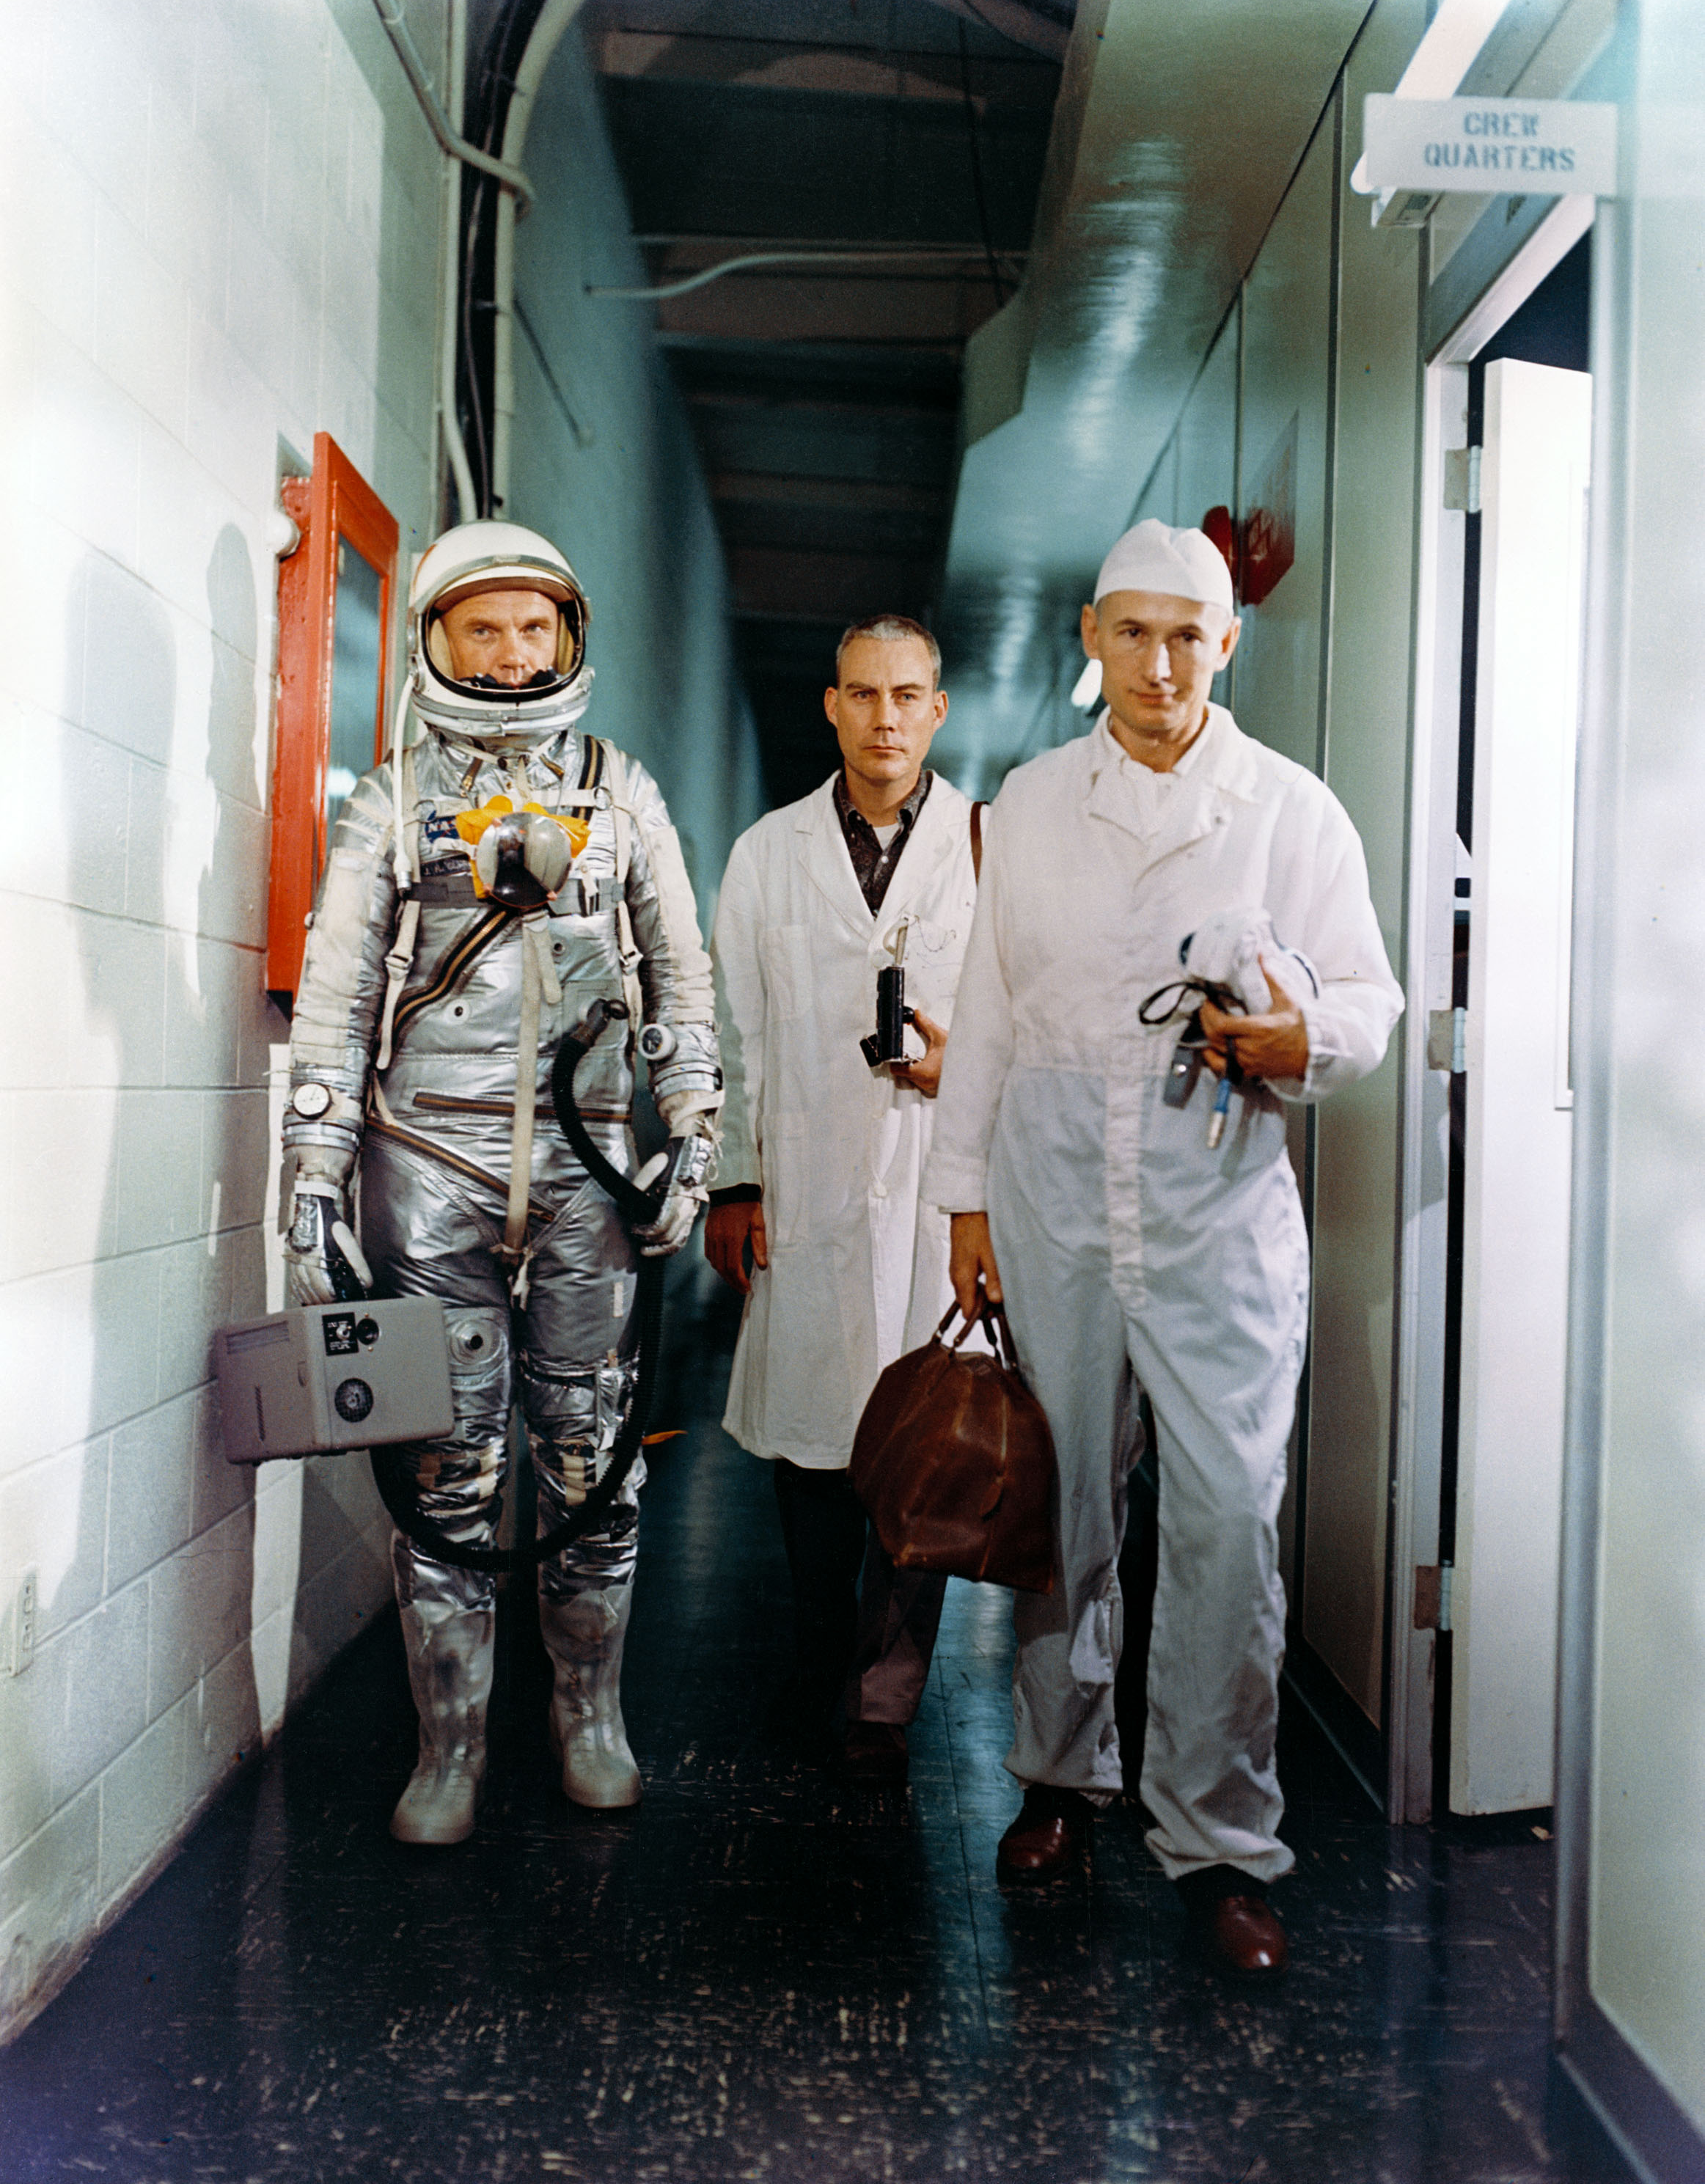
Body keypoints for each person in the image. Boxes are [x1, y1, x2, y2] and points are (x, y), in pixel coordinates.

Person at [924, 521, 1402, 1971]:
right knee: (1058, 1503)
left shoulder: (1288, 809)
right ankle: (1059, 1784)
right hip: (1051, 1183)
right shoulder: (1028, 800)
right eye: (1129, 633)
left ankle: (1218, 1842)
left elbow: (1372, 1002)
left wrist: (1297, 1037)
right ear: (1088, 638)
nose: (1156, 663)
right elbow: (990, 1011)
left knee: (1221, 1519)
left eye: (1184, 635)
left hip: (1214, 1190)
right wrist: (961, 1203)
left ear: (1226, 643)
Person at [281, 520, 720, 1845]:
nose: (512, 652)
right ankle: (449, 1750)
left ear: (569, 639)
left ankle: (588, 1717)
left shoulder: (619, 790)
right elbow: (340, 990)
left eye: (534, 627)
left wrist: (692, 1127)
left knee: (588, 1457)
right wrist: (312, 1162)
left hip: (588, 1164)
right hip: (427, 1163)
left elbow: (679, 974)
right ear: (438, 642)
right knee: (446, 1467)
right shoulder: (388, 798)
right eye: (484, 628)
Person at [706, 616, 980, 1780]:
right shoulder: (768, 852)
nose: (884, 718)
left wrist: (953, 1063)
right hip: (808, 1184)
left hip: (938, 1182)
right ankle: (819, 1652)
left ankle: (884, 1698)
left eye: (905, 695)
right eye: (862, 695)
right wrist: (733, 1178)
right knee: (813, 1453)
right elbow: (731, 1030)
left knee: (922, 1454)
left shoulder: (988, 844)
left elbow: (1028, 1022)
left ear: (937, 709)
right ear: (831, 706)